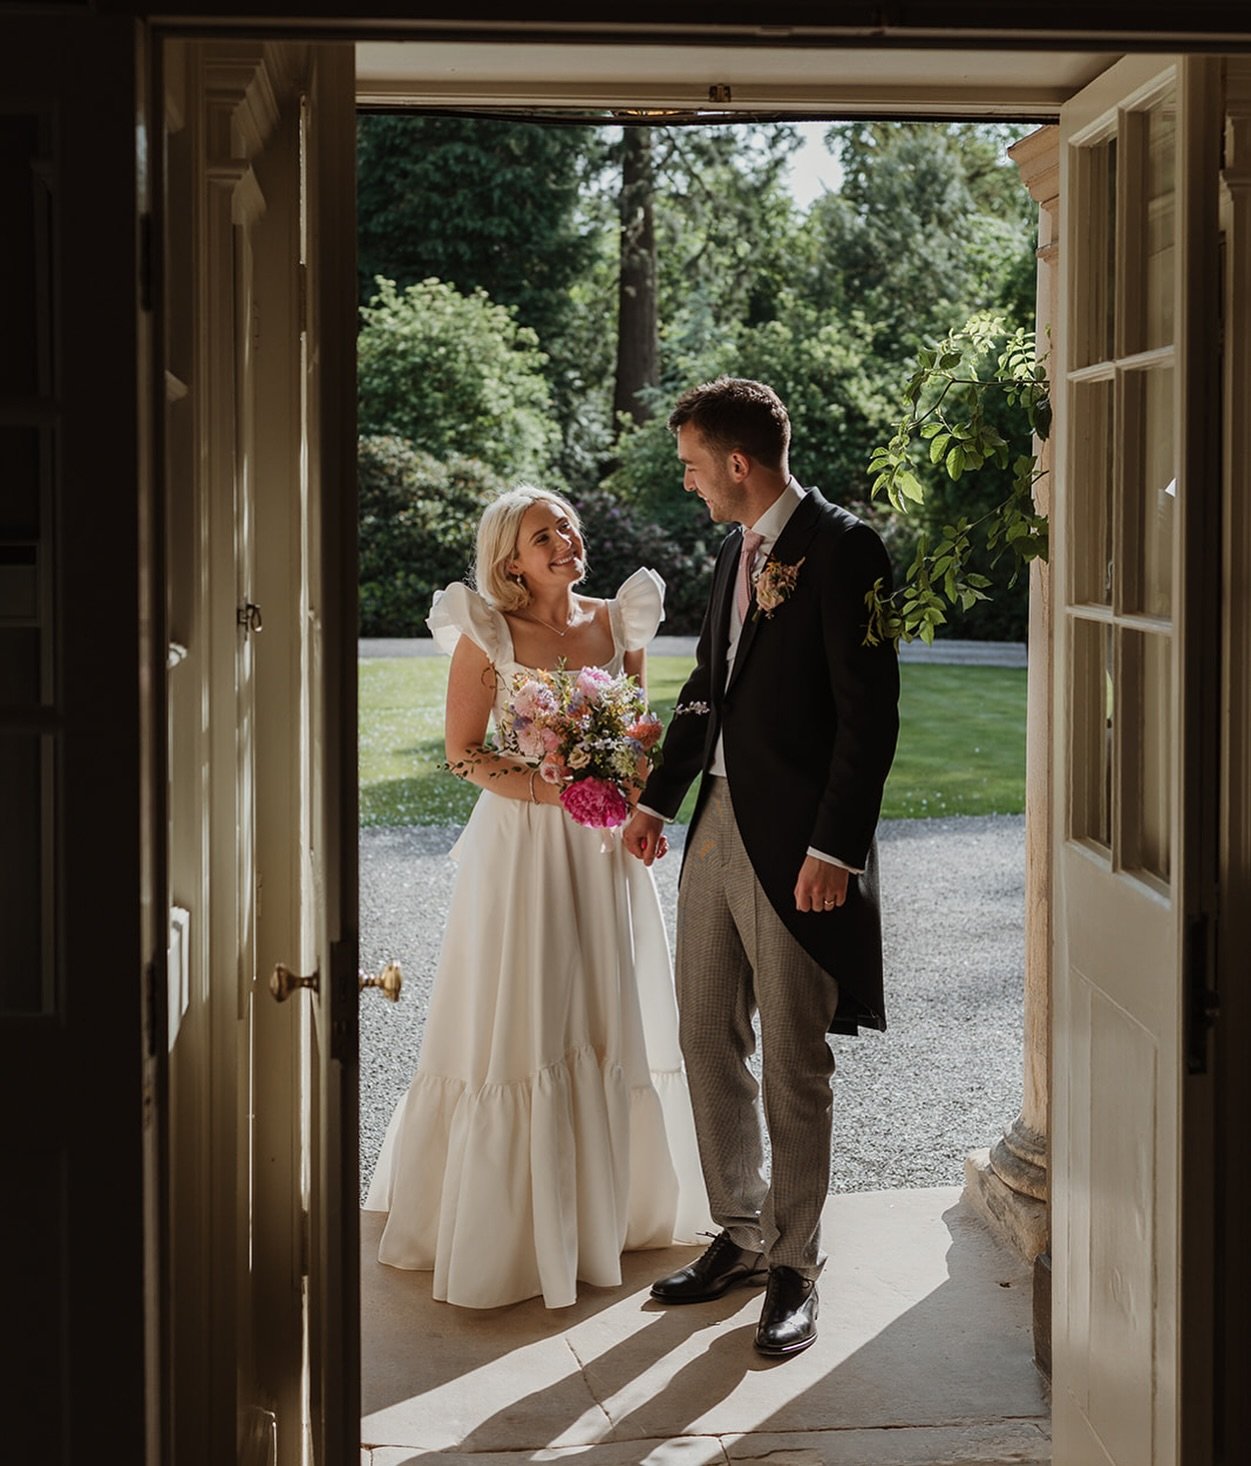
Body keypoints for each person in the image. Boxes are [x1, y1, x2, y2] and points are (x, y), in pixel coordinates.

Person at [364, 485, 709, 1310]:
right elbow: (461, 754)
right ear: (508, 560)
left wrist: (628, 792)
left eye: (566, 528)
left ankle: (611, 1211)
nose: (564, 540)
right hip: (521, 847)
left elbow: (636, 729)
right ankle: (511, 1224)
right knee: (526, 1009)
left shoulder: (617, 620)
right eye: (541, 534)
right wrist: (553, 786)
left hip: (602, 848)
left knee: (606, 1004)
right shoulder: (485, 633)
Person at [623, 377, 900, 1358]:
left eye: (695, 465)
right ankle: (738, 1235)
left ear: (738, 463)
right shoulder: (730, 554)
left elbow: (870, 718)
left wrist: (835, 848)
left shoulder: (847, 548)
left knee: (793, 1057)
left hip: (802, 848)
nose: (691, 483)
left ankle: (795, 1264)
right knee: (705, 1033)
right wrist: (658, 800)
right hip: (718, 827)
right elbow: (709, 686)